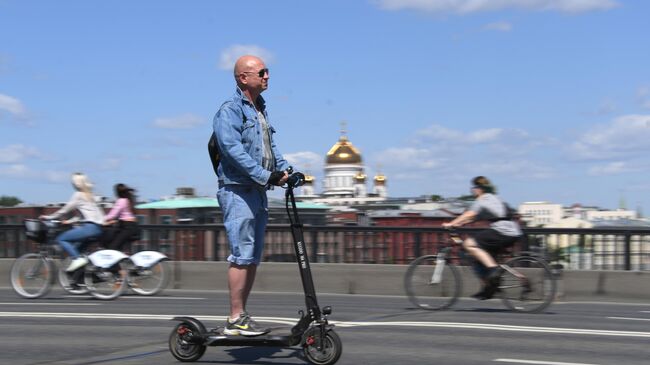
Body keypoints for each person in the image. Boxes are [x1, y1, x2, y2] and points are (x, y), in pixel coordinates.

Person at [213, 55, 291, 336]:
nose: (267, 76)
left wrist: (286, 171)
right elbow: (232, 150)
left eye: (267, 71)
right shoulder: (230, 110)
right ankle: (235, 318)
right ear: (243, 77)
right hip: (237, 191)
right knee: (242, 254)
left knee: (253, 256)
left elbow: (270, 148)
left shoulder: (260, 110)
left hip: (258, 192)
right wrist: (263, 174)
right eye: (262, 72)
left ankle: (241, 315)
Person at [442, 176, 523, 300]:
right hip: (512, 231)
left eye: (474, 188)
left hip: (503, 231)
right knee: (477, 258)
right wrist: (458, 223)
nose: (472, 190)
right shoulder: (494, 198)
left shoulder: (483, 199)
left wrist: (451, 224)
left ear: (480, 189)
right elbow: (471, 218)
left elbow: (470, 214)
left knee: (469, 244)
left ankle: (494, 270)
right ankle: (488, 289)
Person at [40, 173, 105, 272]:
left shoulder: (78, 195)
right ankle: (81, 280)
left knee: (62, 239)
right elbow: (82, 216)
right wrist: (69, 221)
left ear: (75, 183)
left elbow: (65, 210)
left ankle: (77, 259)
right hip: (98, 229)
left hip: (89, 228)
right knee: (78, 250)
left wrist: (49, 217)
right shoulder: (89, 195)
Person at [103, 183, 139, 252]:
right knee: (118, 248)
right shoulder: (129, 200)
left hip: (126, 227)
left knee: (112, 248)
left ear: (117, 192)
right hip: (133, 226)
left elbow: (113, 215)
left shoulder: (121, 201)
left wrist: (101, 220)